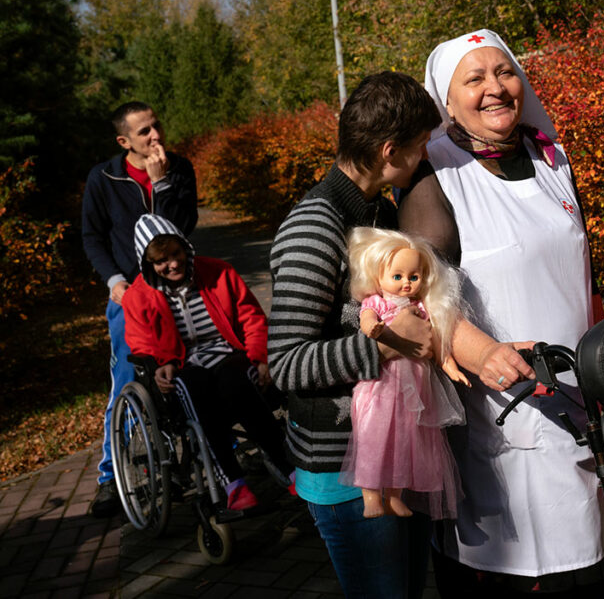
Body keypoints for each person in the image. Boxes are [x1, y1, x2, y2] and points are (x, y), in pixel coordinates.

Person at [269, 71, 531, 599]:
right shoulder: (315, 227)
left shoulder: (376, 212)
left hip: (393, 450)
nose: (423, 160)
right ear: (390, 150)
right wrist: (384, 344)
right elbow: (287, 364)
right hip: (344, 468)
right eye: (418, 148)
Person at [399, 29, 604, 597]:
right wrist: (480, 352)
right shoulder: (433, 173)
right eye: (474, 79)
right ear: (447, 100)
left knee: (588, 565)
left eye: (504, 72)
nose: (495, 88)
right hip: (498, 407)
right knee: (510, 575)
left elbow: (579, 272)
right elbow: (413, 298)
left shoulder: (552, 158)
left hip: (576, 400)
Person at [122, 214, 291, 510]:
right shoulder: (137, 296)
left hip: (229, 354)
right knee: (192, 389)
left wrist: (260, 358)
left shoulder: (219, 273)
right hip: (183, 364)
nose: (173, 264)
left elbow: (251, 319)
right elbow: (141, 341)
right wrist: (162, 362)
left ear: (184, 247)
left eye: (175, 253)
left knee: (238, 382)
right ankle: (233, 482)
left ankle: (290, 469)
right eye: (161, 260)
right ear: (149, 264)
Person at [82, 101, 198, 518]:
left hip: (180, 285)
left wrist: (161, 185)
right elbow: (92, 236)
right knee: (129, 375)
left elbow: (180, 230)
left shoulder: (178, 168)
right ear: (124, 140)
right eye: (145, 131)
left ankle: (215, 446)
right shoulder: (104, 177)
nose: (156, 137)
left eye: (157, 126)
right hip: (131, 295)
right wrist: (115, 281)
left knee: (198, 361)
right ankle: (111, 477)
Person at [344, 226, 467, 520]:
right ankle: (371, 496)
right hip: (381, 387)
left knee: (404, 443)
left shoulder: (421, 307)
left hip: (413, 393)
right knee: (374, 440)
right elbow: (367, 316)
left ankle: (395, 496)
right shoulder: (378, 303)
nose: (407, 283)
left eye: (414, 276)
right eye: (397, 276)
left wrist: (448, 363)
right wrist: (371, 327)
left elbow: (434, 339)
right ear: (378, 276)